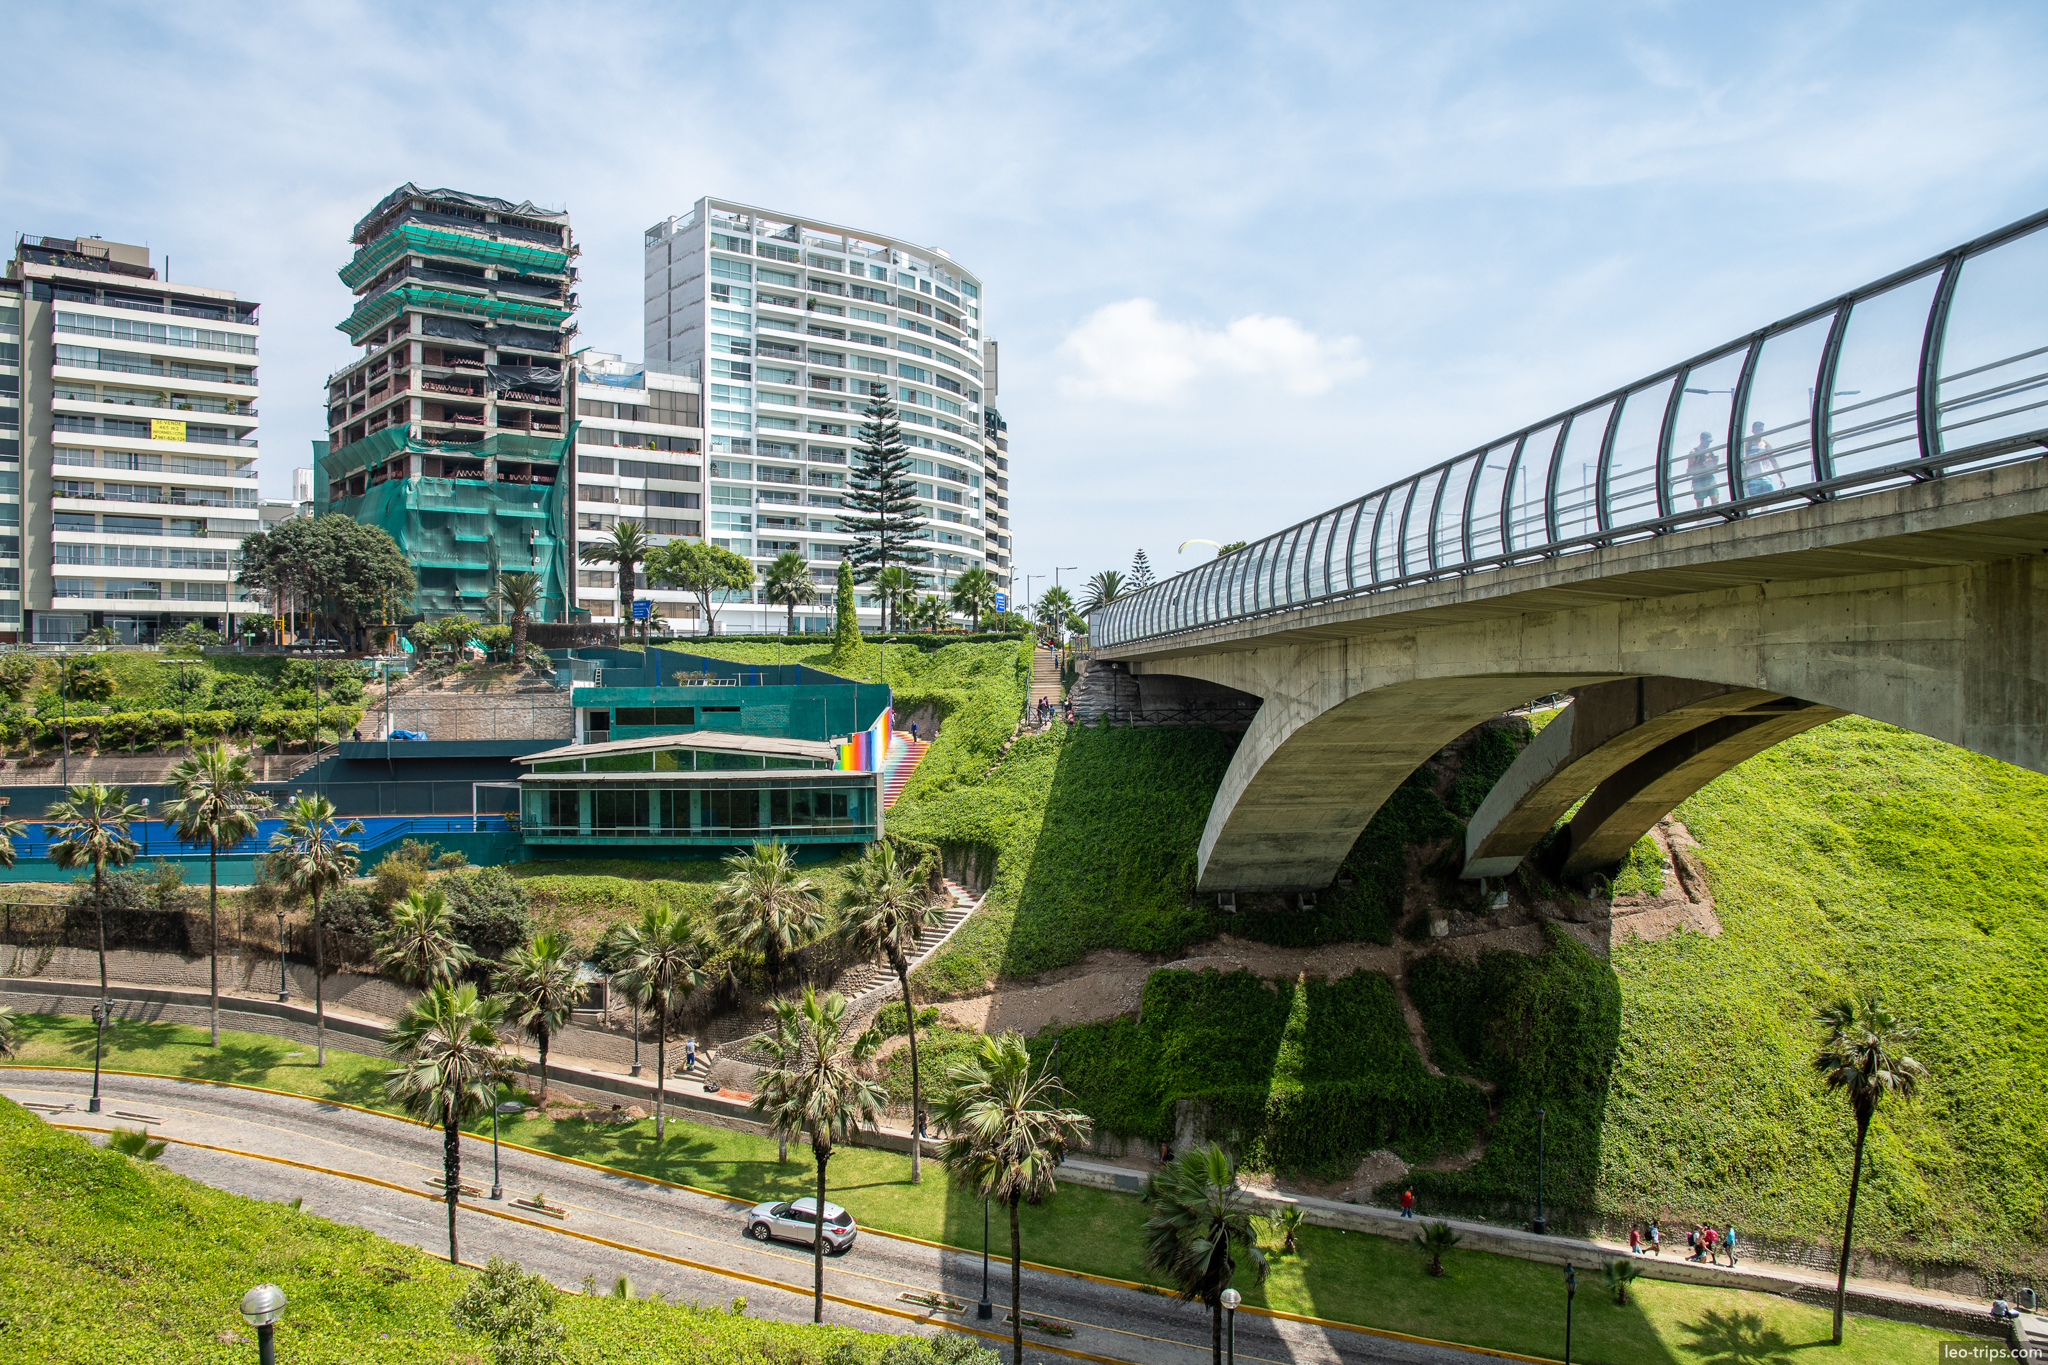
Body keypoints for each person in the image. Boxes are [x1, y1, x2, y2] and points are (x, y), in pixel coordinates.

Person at [1743, 420, 1781, 498]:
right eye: (1757, 430)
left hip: (1766, 477)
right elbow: (1743, 462)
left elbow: (1774, 461)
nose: (1760, 432)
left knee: (1768, 500)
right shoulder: (1748, 444)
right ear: (1753, 431)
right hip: (1753, 478)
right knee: (1754, 501)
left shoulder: (1766, 444)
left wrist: (1781, 477)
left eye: (1761, 430)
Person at [1685, 431, 1721, 509]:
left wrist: (1715, 462)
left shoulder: (1710, 452)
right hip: (1698, 480)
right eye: (1707, 441)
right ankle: (1701, 521)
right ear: (1701, 440)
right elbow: (1690, 470)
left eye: (1709, 441)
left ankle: (1714, 517)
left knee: (1716, 499)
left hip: (1709, 477)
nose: (1708, 443)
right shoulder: (1694, 452)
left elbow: (1715, 469)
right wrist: (1704, 464)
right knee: (1700, 504)